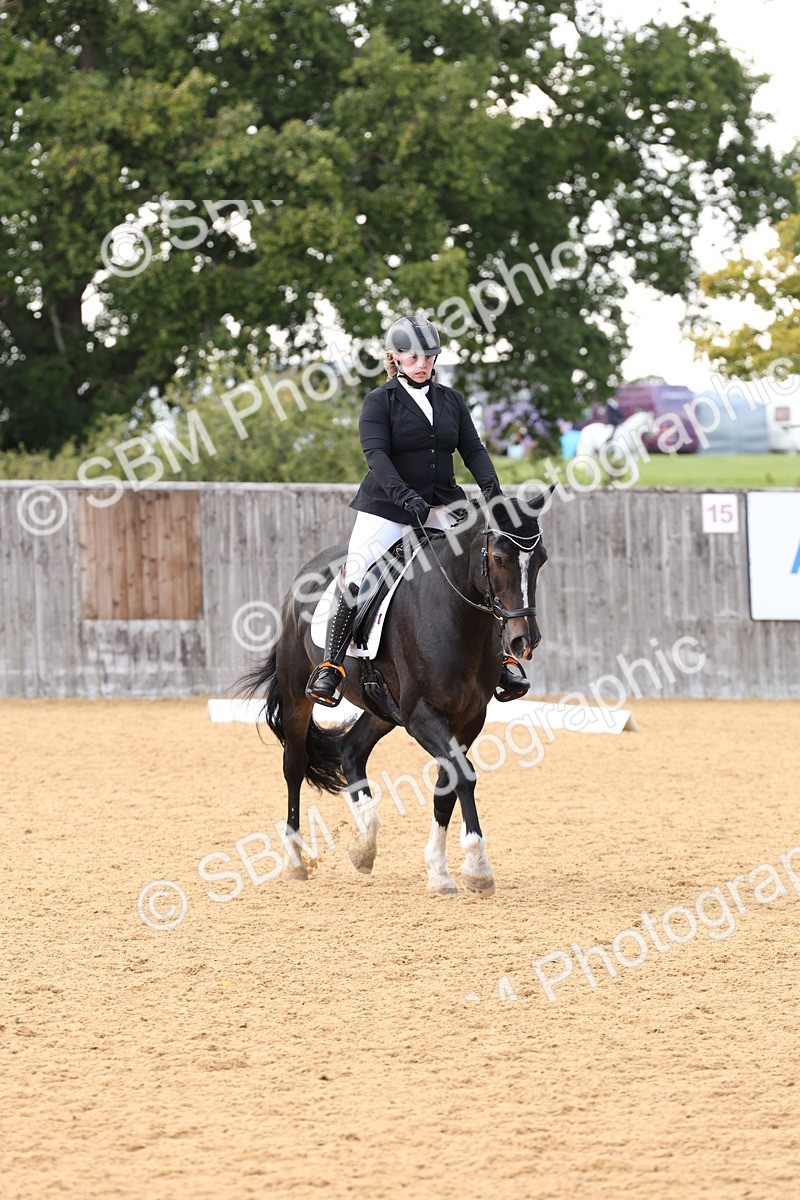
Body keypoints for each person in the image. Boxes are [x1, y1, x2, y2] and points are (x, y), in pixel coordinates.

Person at [305, 315, 531, 706]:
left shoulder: (450, 400)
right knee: (358, 571)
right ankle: (332, 667)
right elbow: (376, 456)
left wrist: (492, 489)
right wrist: (405, 497)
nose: (422, 363)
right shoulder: (379, 401)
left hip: (445, 505)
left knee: (486, 565)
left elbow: (472, 449)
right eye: (412, 356)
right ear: (394, 357)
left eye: (428, 356)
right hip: (387, 508)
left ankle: (506, 660)